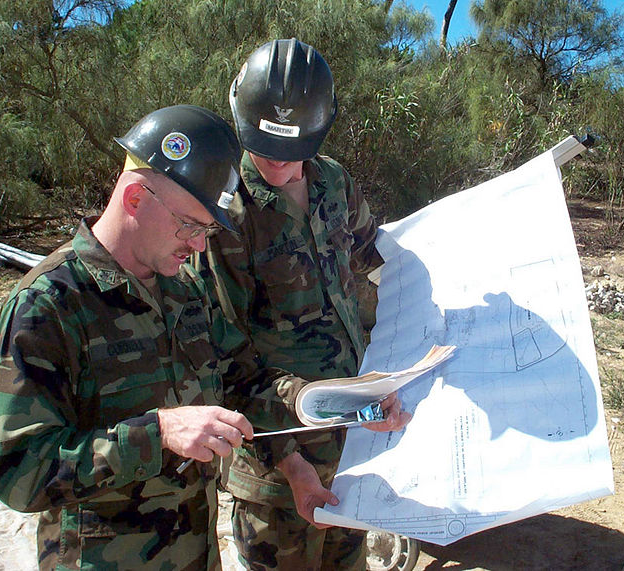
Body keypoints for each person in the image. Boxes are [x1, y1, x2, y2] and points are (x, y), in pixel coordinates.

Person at [0, 104, 306, 571]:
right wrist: (158, 433)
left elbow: (246, 383)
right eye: (191, 225)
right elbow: (19, 472)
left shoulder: (186, 293)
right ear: (135, 198)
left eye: (208, 230)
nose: (199, 245)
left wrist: (339, 403)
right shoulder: (51, 303)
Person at [200, 39, 409, 570]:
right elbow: (226, 357)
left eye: (292, 150)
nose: (276, 161)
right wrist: (291, 466)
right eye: (263, 145)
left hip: (356, 441)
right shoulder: (225, 216)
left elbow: (376, 259)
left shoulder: (334, 183)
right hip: (277, 466)